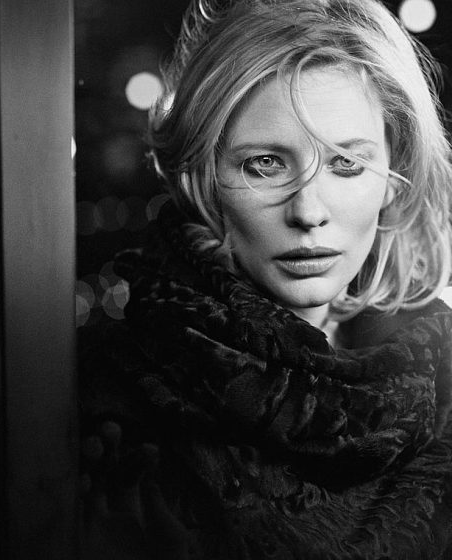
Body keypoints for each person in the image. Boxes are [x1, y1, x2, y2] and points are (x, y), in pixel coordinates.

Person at [79, 0, 452, 558]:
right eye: (265, 164)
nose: (309, 212)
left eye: (347, 163)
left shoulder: (439, 373)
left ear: (393, 179)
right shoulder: (114, 412)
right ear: (205, 178)